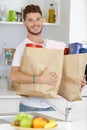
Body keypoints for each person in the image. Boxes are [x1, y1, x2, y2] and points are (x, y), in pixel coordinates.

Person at [10, 4, 86, 112]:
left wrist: (78, 81)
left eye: (38, 19)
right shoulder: (22, 47)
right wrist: (39, 79)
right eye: (30, 20)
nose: (35, 23)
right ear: (24, 23)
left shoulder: (53, 46)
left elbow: (62, 74)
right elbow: (14, 76)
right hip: (30, 106)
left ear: (42, 20)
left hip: (51, 106)